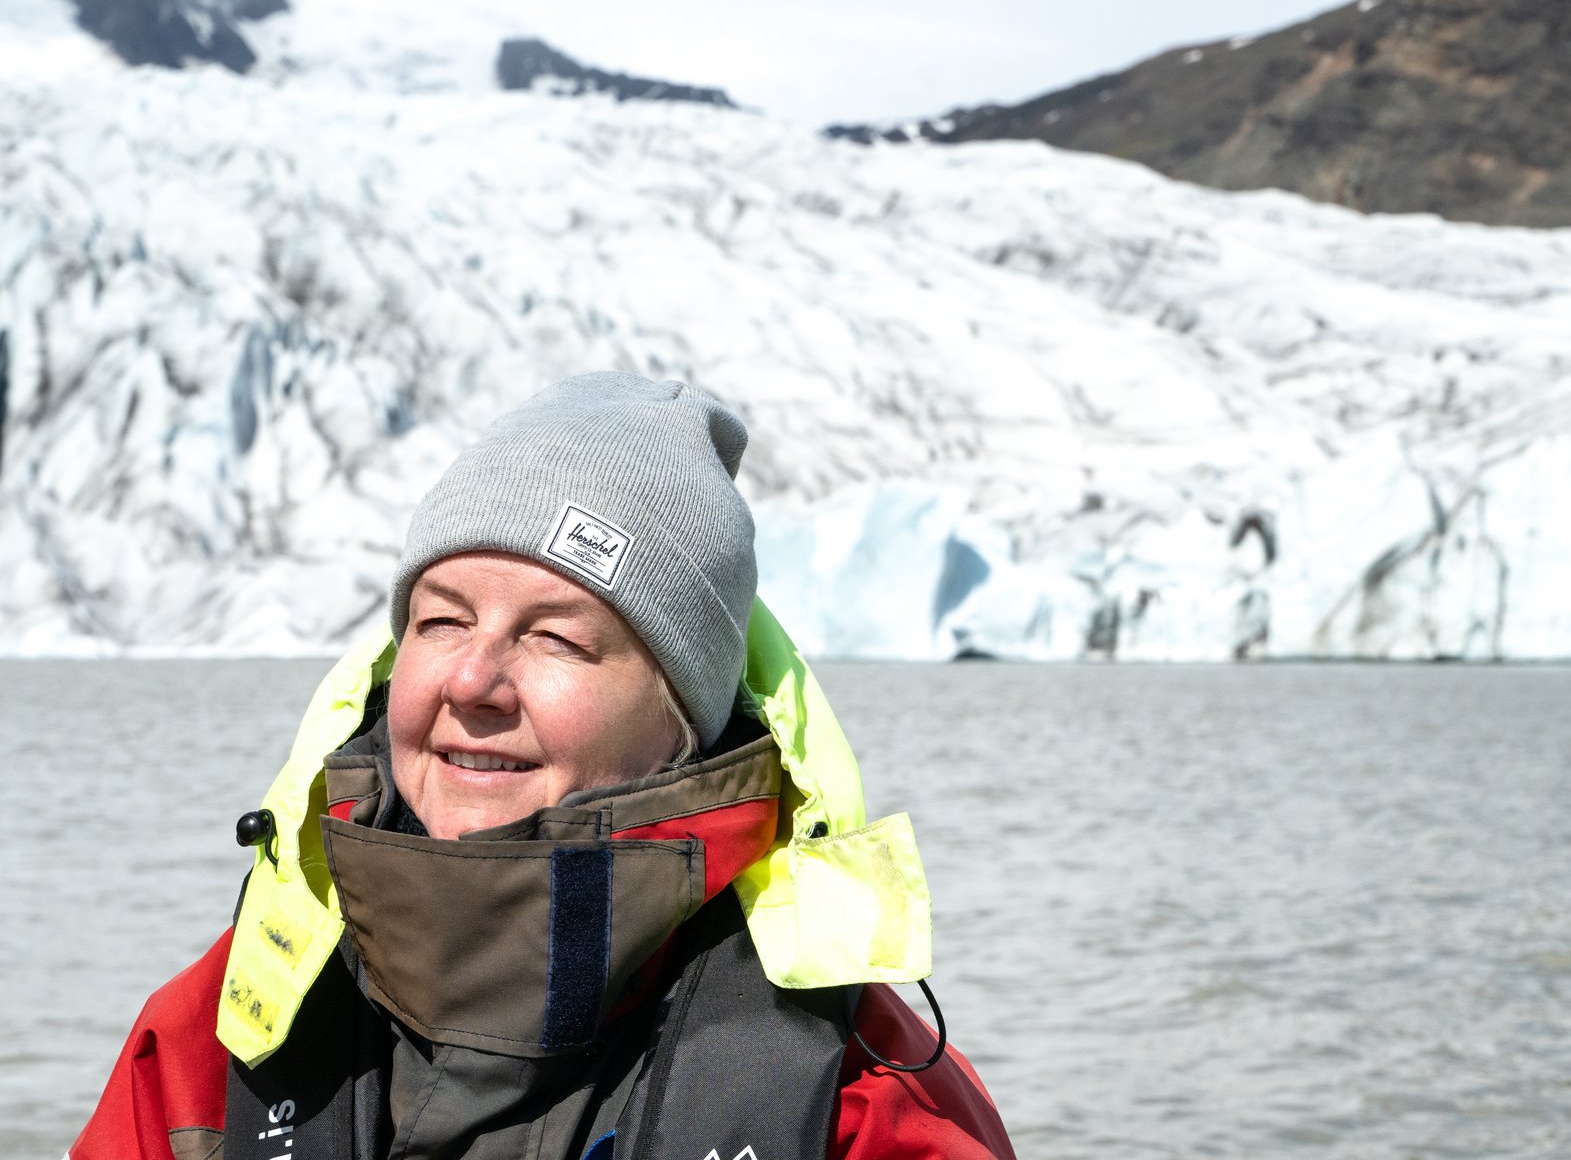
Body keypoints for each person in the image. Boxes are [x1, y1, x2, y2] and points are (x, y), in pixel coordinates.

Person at [69, 373, 1016, 1160]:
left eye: (556, 637)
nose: (472, 679)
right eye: (442, 619)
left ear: (683, 719)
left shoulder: (863, 1104)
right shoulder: (212, 1043)